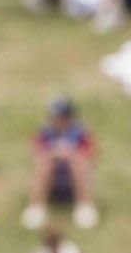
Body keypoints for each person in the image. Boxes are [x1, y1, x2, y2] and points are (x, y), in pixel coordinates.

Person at [24, 95, 99, 230]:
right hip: (51, 181)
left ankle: (84, 206)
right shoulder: (44, 133)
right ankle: (37, 207)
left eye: (62, 117)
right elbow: (36, 155)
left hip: (73, 181)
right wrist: (55, 154)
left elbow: (89, 156)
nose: (58, 120)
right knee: (43, 164)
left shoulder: (81, 133)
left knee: (79, 164)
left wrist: (70, 155)